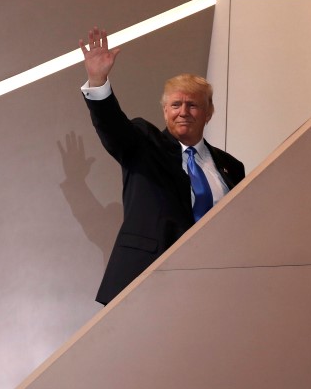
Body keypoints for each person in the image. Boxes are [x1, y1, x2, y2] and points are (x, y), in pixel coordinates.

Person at [79, 26, 245, 305]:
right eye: (176, 104)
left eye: (192, 105)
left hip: (212, 284)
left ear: (208, 113)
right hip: (147, 281)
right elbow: (113, 127)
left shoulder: (231, 167)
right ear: (165, 110)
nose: (183, 111)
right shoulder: (145, 144)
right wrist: (98, 82)